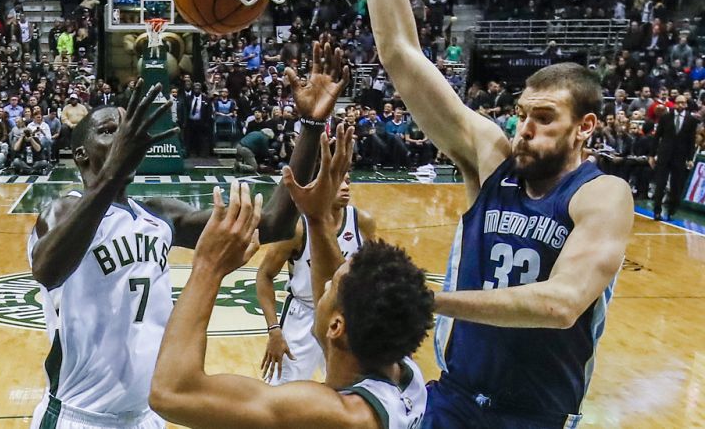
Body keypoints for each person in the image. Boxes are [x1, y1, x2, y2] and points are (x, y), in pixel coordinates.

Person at [28, 40, 350, 427]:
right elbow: (47, 270)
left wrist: (311, 127)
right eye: (109, 130)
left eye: (126, 129)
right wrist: (113, 171)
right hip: (80, 416)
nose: (122, 137)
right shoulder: (63, 209)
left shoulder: (158, 215)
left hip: (149, 414)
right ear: (81, 154)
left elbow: (275, 223)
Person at [365, 0, 634, 427]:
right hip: (455, 397)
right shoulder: (494, 161)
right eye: (523, 113)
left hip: (536, 414)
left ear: (585, 127)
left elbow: (561, 304)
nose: (525, 128)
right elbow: (398, 52)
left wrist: (431, 301)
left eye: (544, 118)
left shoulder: (602, 194)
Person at [149, 123, 433, 429]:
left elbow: (172, 392)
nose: (322, 285)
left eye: (329, 290)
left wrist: (208, 267)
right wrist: (317, 218)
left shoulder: (343, 417)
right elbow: (333, 284)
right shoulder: (403, 371)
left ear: (337, 326)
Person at [256, 173, 376, 384]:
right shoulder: (297, 229)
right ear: (317, 187)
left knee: (352, 389)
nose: (345, 187)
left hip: (344, 314)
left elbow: (374, 272)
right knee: (281, 395)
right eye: (338, 180)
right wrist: (274, 330)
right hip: (303, 315)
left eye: (348, 181)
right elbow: (264, 275)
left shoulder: (362, 222)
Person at [651, 95, 698, 220]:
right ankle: (657, 211)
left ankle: (671, 211)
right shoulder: (665, 117)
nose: (680, 105)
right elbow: (657, 137)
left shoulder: (691, 120)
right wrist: (651, 155)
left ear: (686, 104)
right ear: (674, 104)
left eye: (683, 103)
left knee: (676, 186)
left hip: (680, 157)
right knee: (660, 184)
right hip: (664, 155)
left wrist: (690, 158)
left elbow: (691, 141)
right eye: (678, 103)